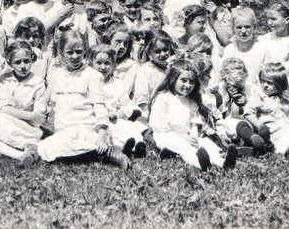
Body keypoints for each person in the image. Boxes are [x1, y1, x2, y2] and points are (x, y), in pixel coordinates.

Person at [34, 30, 129, 168]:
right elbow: (47, 104)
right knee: (45, 147)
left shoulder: (92, 75)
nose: (75, 56)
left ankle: (111, 151)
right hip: (64, 130)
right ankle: (93, 153)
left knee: (92, 142)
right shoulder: (57, 74)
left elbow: (99, 107)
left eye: (79, 51)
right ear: (61, 52)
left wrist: (101, 135)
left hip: (85, 128)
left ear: (85, 51)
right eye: (70, 52)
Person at [150, 57, 238, 171]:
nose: (188, 85)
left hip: (187, 135)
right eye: (184, 80)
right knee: (186, 148)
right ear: (173, 79)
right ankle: (202, 164)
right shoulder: (163, 98)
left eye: (191, 81)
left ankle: (223, 163)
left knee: (204, 144)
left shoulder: (191, 100)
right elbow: (159, 127)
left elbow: (194, 121)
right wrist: (184, 137)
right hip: (168, 135)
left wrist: (193, 136)